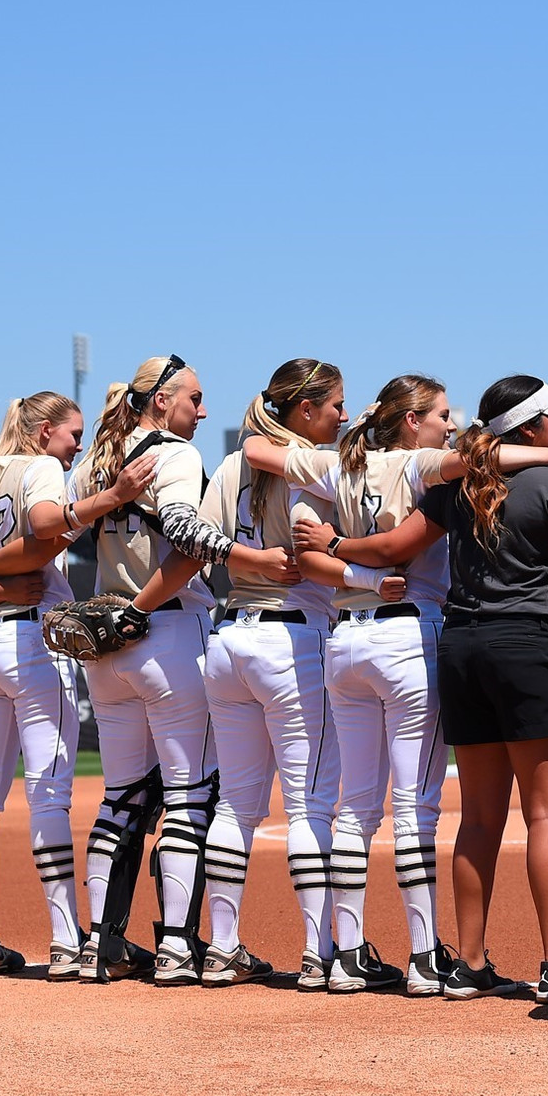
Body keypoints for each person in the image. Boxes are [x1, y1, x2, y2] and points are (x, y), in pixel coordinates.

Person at [273, 375, 548, 995]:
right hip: (525, 645)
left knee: (476, 816)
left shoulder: (457, 486)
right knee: (546, 812)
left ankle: (467, 961)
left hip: (461, 649)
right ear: (529, 429)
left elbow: (394, 546)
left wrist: (337, 545)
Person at [65, 355, 299, 985]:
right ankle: (175, 945)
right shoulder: (173, 453)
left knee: (120, 796)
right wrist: (247, 555)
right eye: (194, 399)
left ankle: (101, 944)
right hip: (163, 629)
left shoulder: (96, 461)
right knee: (192, 793)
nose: (202, 411)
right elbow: (186, 537)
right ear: (161, 401)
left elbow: (55, 532)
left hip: (104, 638)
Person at [0, 393, 158, 977]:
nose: (76, 446)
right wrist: (113, 498)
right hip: (33, 642)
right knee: (48, 795)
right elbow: (49, 523)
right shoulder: (41, 468)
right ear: (45, 432)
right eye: (72, 434)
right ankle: (70, 940)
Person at [194, 359, 347, 990]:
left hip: (230, 638)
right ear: (304, 410)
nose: (343, 413)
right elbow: (320, 552)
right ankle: (320, 952)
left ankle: (222, 947)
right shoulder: (310, 466)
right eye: (335, 403)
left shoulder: (232, 463)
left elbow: (195, 538)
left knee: (236, 802)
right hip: (292, 638)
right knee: (310, 802)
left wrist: (246, 556)